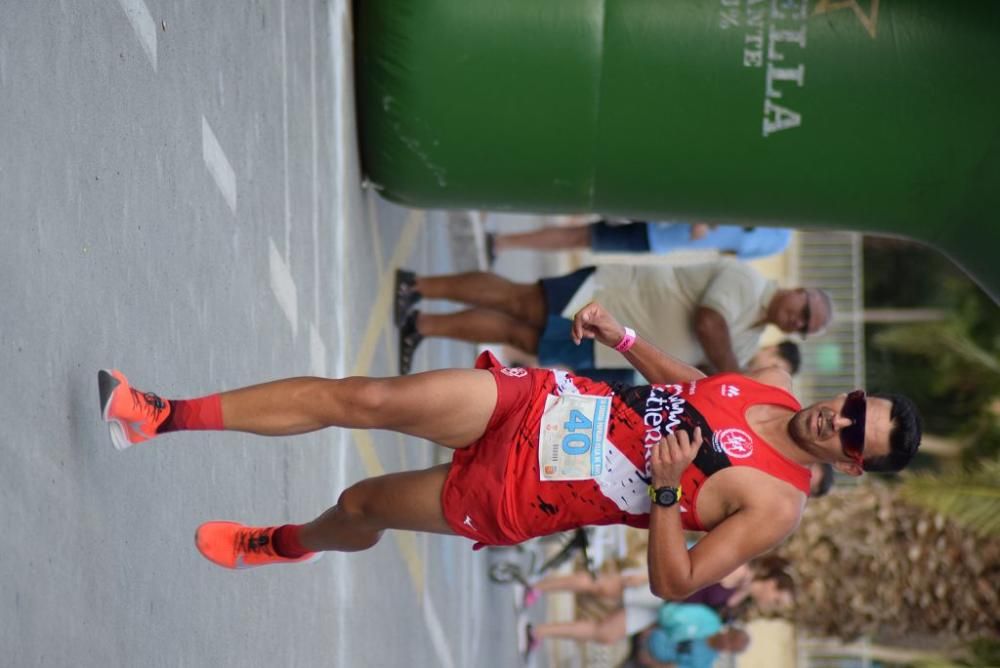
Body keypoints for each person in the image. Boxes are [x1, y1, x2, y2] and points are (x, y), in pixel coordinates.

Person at [97, 301, 920, 594]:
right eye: (854, 406)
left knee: (360, 507)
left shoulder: (775, 505)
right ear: (848, 392)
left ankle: (284, 544)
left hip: (537, 493)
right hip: (550, 407)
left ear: (851, 463)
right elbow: (698, 388)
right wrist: (624, 335)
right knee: (369, 398)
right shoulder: (773, 391)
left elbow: (678, 582)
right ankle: (161, 413)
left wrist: (668, 494)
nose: (838, 420)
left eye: (855, 436)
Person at [394, 259, 832, 375]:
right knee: (517, 300)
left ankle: (423, 326)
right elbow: (708, 322)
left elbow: (697, 366)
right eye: (804, 310)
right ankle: (416, 286)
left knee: (521, 338)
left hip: (613, 347)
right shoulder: (747, 281)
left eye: (804, 327)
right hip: (607, 295)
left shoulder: (753, 342)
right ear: (797, 291)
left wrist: (721, 375)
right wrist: (732, 375)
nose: (798, 321)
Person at [488, 220, 792, 262]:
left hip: (661, 237)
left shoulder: (779, 241)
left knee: (583, 237)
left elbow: (729, 252)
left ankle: (506, 242)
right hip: (669, 205)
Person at [634, 625, 750, 668]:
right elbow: (670, 619)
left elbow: (671, 667)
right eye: (731, 639)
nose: (726, 644)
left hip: (644, 660)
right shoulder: (707, 622)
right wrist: (647, 629)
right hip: (641, 630)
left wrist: (647, 660)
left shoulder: (705, 664)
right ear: (729, 630)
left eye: (732, 648)